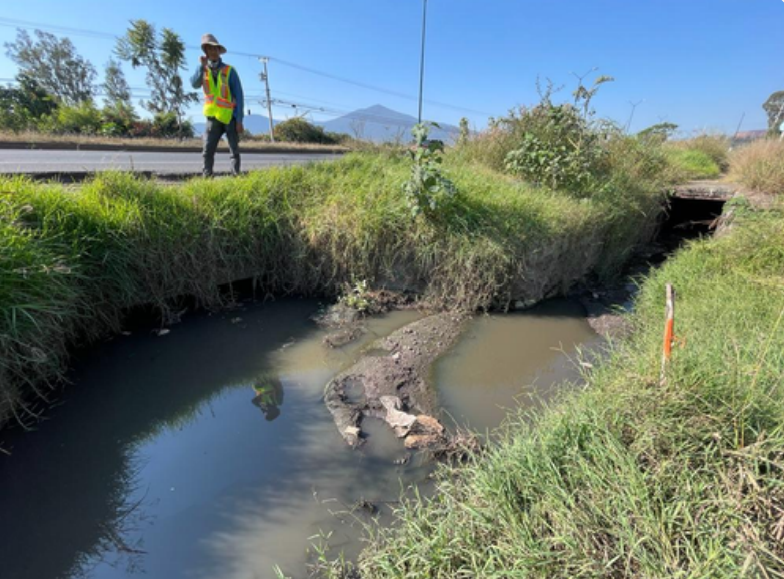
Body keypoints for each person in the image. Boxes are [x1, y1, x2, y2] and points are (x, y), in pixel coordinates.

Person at [190, 33, 244, 177]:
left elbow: (239, 95)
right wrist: (200, 67)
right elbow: (194, 84)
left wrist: (239, 120)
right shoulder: (203, 70)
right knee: (207, 150)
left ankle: (236, 176)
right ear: (205, 52)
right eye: (210, 49)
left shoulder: (229, 71)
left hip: (229, 117)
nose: (213, 52)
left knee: (234, 150)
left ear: (219, 51)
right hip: (212, 118)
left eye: (216, 49)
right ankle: (207, 178)